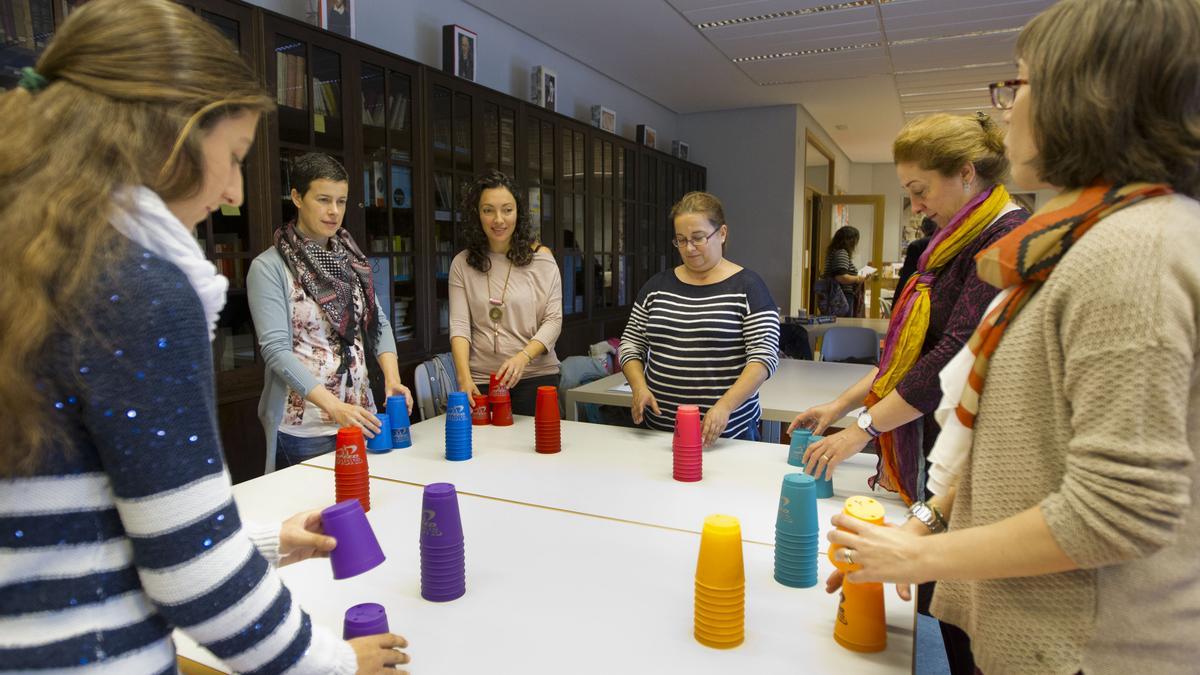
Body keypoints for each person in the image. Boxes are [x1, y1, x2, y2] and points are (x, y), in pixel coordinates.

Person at [0, 1, 408, 672]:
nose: (231, 190)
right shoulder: (137, 285)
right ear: (173, 136)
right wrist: (336, 663)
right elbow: (193, 573)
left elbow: (89, 518)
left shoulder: (39, 257)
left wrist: (264, 540)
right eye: (235, 156)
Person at [825, 1, 1200, 674]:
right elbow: (1013, 433)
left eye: (1017, 85)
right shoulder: (1087, 237)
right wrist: (931, 519)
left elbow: (1119, 510)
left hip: (1088, 648)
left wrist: (919, 555)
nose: (1005, 113)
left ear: (1084, 94)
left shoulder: (1131, 249)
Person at [793, 112, 1029, 673]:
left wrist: (865, 429)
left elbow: (949, 357)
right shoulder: (946, 244)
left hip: (983, 453)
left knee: (962, 607)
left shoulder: (1005, 241)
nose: (916, 205)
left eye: (920, 190)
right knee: (935, 591)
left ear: (967, 174)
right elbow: (908, 356)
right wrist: (844, 404)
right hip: (943, 443)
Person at [249, 153, 412, 473]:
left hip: (360, 419)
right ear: (297, 197)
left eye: (341, 201)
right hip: (307, 430)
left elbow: (377, 321)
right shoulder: (268, 267)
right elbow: (276, 351)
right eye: (323, 199)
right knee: (316, 519)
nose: (334, 211)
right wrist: (333, 406)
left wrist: (392, 379)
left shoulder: (351, 259)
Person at [620, 192, 780, 444]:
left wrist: (725, 406)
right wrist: (638, 386)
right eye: (681, 240)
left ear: (723, 233)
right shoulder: (656, 286)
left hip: (727, 434)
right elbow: (630, 343)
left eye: (698, 238)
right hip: (660, 431)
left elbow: (764, 357)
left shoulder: (748, 287)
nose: (689, 248)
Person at [449, 170, 562, 415]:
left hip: (535, 377)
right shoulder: (462, 263)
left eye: (507, 210)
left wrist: (523, 357)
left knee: (536, 449)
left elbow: (553, 321)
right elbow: (459, 326)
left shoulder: (541, 259)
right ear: (476, 214)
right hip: (481, 380)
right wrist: (463, 377)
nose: (498, 219)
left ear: (518, 213)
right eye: (488, 210)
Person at [820, 225, 867, 316]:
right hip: (842, 297)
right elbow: (841, 277)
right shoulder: (842, 253)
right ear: (850, 240)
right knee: (844, 324)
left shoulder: (835, 252)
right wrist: (858, 278)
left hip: (838, 296)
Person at [894, 217, 936, 292]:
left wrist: (896, 300)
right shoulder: (947, 244)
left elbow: (907, 276)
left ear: (922, 229)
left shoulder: (916, 245)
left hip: (919, 290)